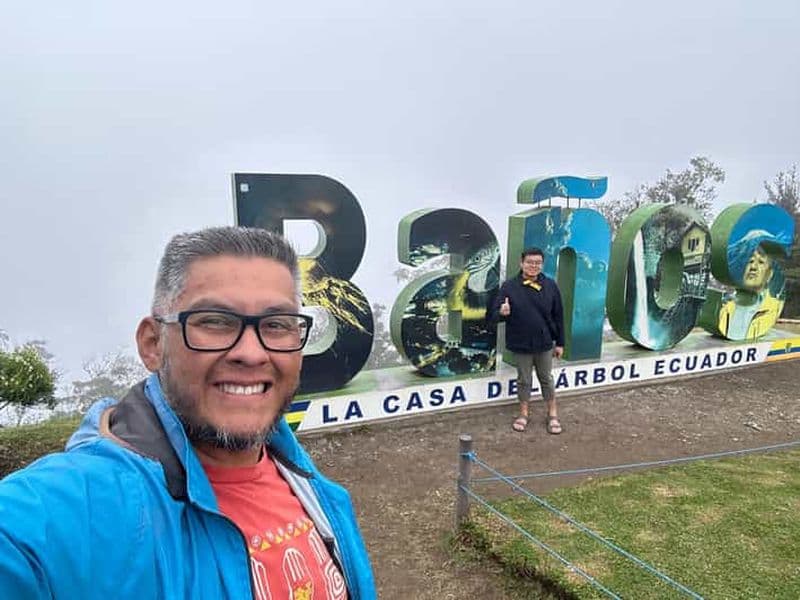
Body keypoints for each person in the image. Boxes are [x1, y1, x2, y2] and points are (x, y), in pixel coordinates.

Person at [0, 226, 376, 599]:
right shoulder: (77, 511)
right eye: (214, 322)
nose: (251, 353)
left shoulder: (318, 492)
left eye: (276, 325)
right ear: (152, 344)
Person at [490, 247, 564, 434]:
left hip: (544, 343)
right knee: (524, 380)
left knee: (546, 378)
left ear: (542, 264)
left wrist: (560, 343)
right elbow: (493, 315)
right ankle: (523, 414)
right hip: (521, 343)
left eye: (537, 263)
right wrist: (502, 312)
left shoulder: (550, 285)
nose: (533, 266)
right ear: (521, 263)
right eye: (530, 262)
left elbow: (559, 316)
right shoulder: (509, 286)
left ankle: (552, 414)